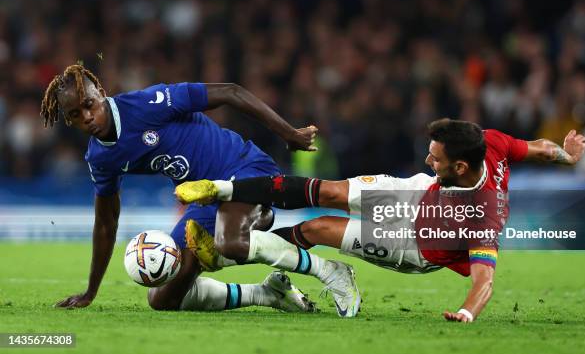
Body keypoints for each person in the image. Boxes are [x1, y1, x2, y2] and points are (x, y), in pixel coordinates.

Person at [176, 118, 585, 322]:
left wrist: (466, 314)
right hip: (417, 195)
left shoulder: (481, 218)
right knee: (330, 191)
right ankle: (223, 189)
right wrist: (566, 154)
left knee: (314, 229)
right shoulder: (488, 142)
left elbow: (485, 280)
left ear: (460, 166)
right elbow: (538, 147)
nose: (428, 159)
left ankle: (228, 257)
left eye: (436, 158)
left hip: (416, 244)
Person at [41, 64, 359, 316]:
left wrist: (288, 133)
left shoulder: (148, 104)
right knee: (163, 296)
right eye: (75, 115)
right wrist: (90, 291)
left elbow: (230, 92)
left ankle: (331, 271)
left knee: (230, 242)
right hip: (205, 200)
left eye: (89, 105)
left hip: (243, 172)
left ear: (102, 93)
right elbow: (106, 223)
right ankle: (265, 294)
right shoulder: (100, 157)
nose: (87, 117)